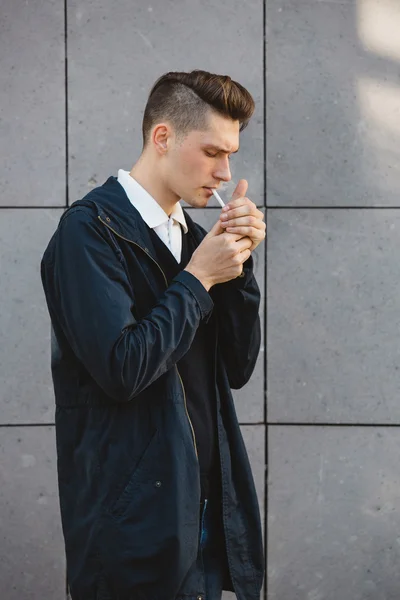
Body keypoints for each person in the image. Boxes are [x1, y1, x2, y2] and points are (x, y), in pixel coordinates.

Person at [41, 69, 266, 600]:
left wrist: (239, 265)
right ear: (162, 137)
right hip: (132, 527)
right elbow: (123, 369)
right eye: (212, 151)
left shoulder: (192, 238)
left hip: (207, 511)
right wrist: (200, 278)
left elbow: (235, 368)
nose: (224, 170)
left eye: (230, 154)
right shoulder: (89, 232)